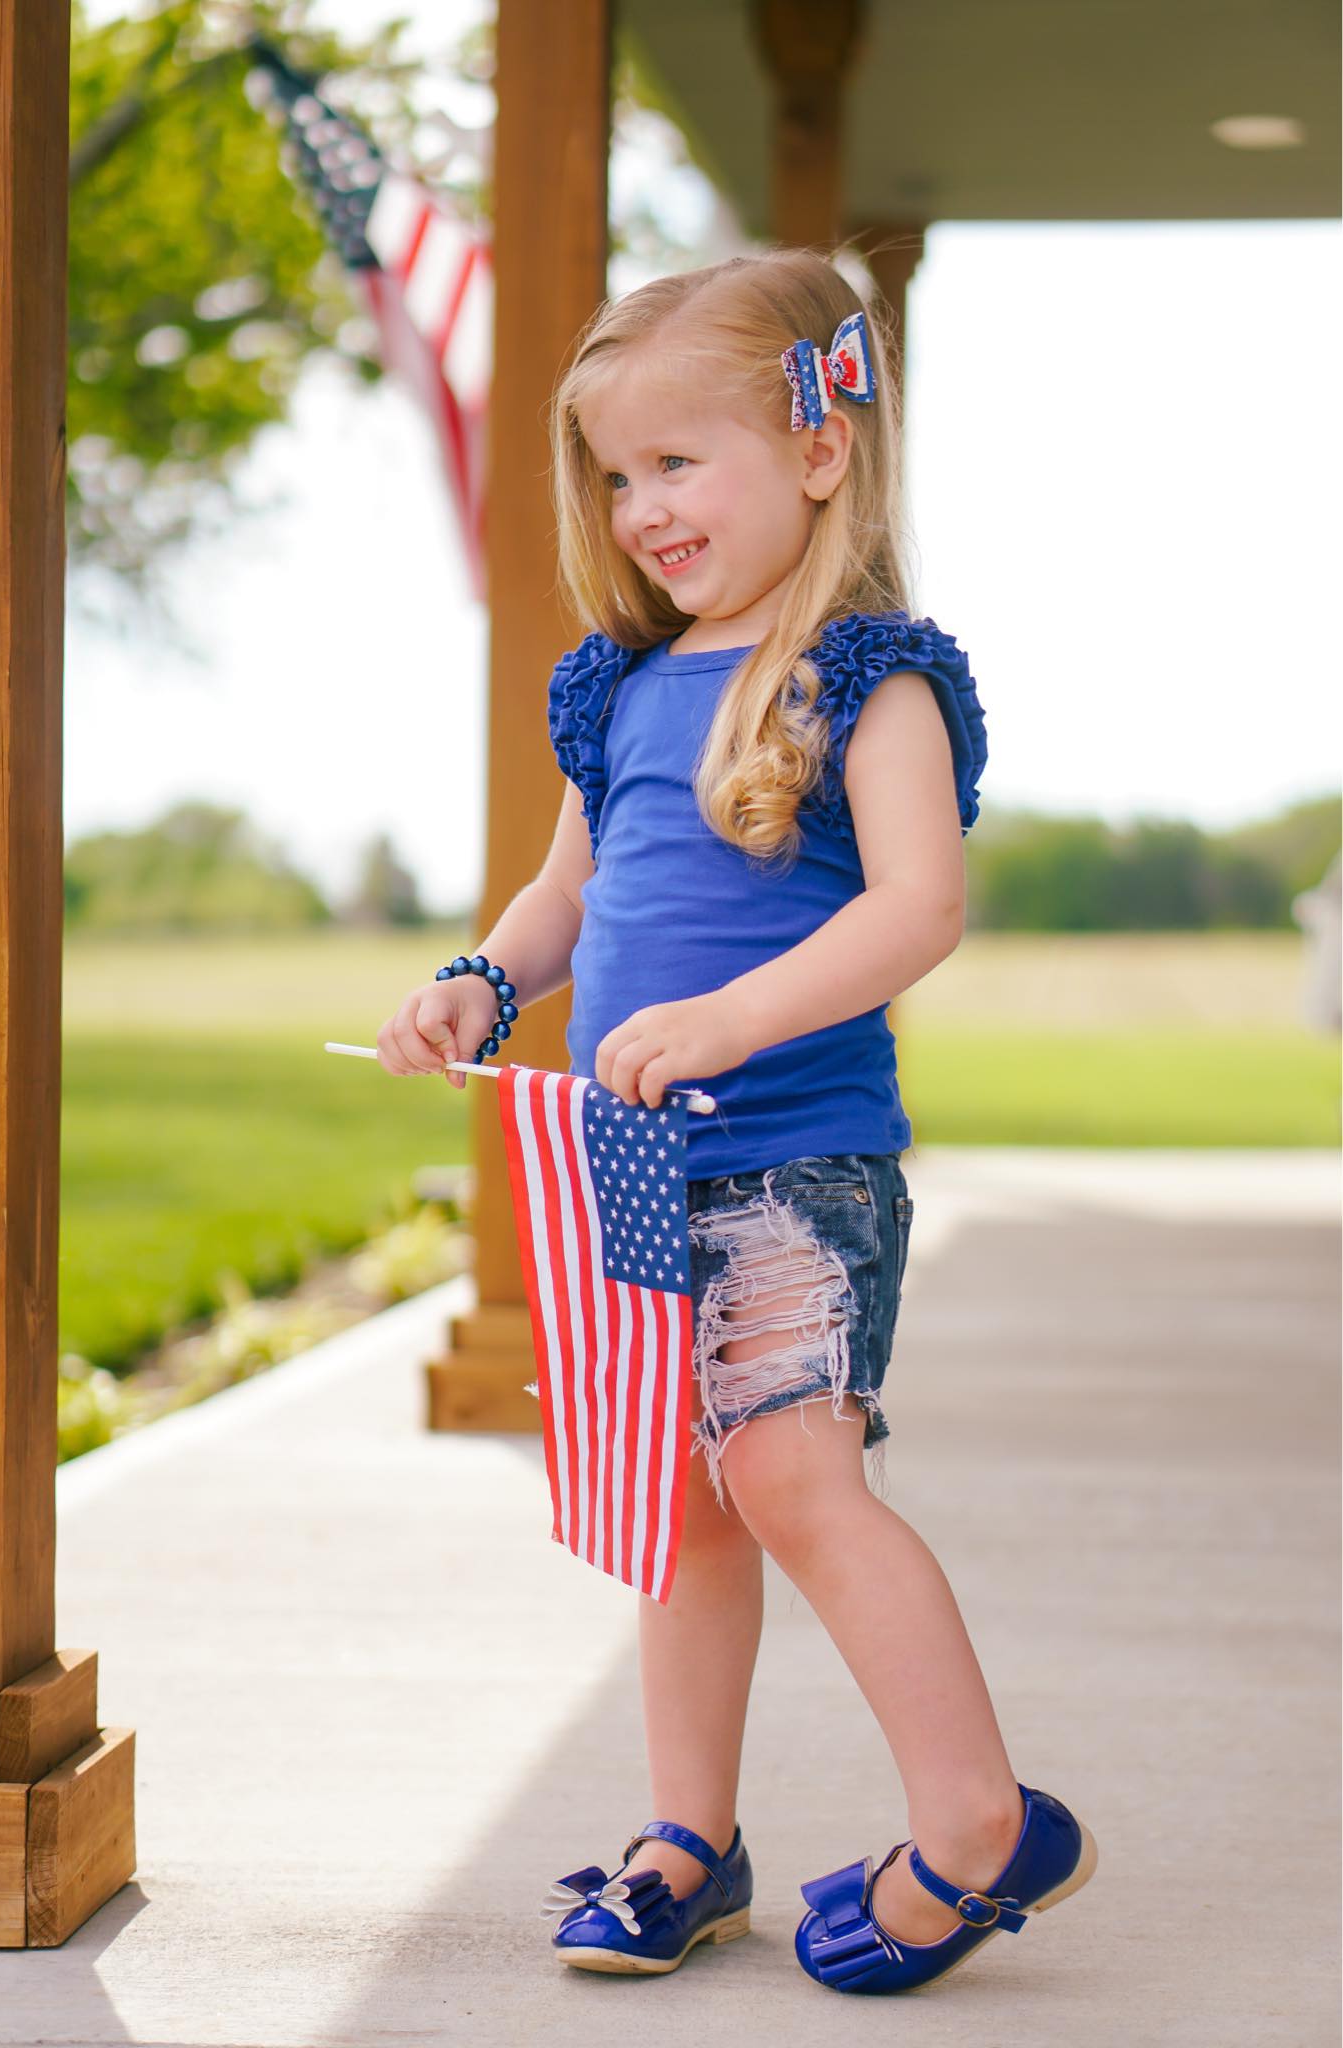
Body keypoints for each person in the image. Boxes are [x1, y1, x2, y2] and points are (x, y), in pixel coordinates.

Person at [376, 247, 1097, 1994]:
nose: (643, 509)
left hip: (794, 1163)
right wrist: (483, 980)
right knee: (678, 1506)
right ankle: (687, 1839)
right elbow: (566, 898)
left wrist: (728, 1018)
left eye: (680, 462)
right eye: (618, 477)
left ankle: (974, 1821)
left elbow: (912, 907)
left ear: (820, 451)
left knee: (788, 1472)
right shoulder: (618, 687)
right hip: (634, 1171)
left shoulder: (870, 677)